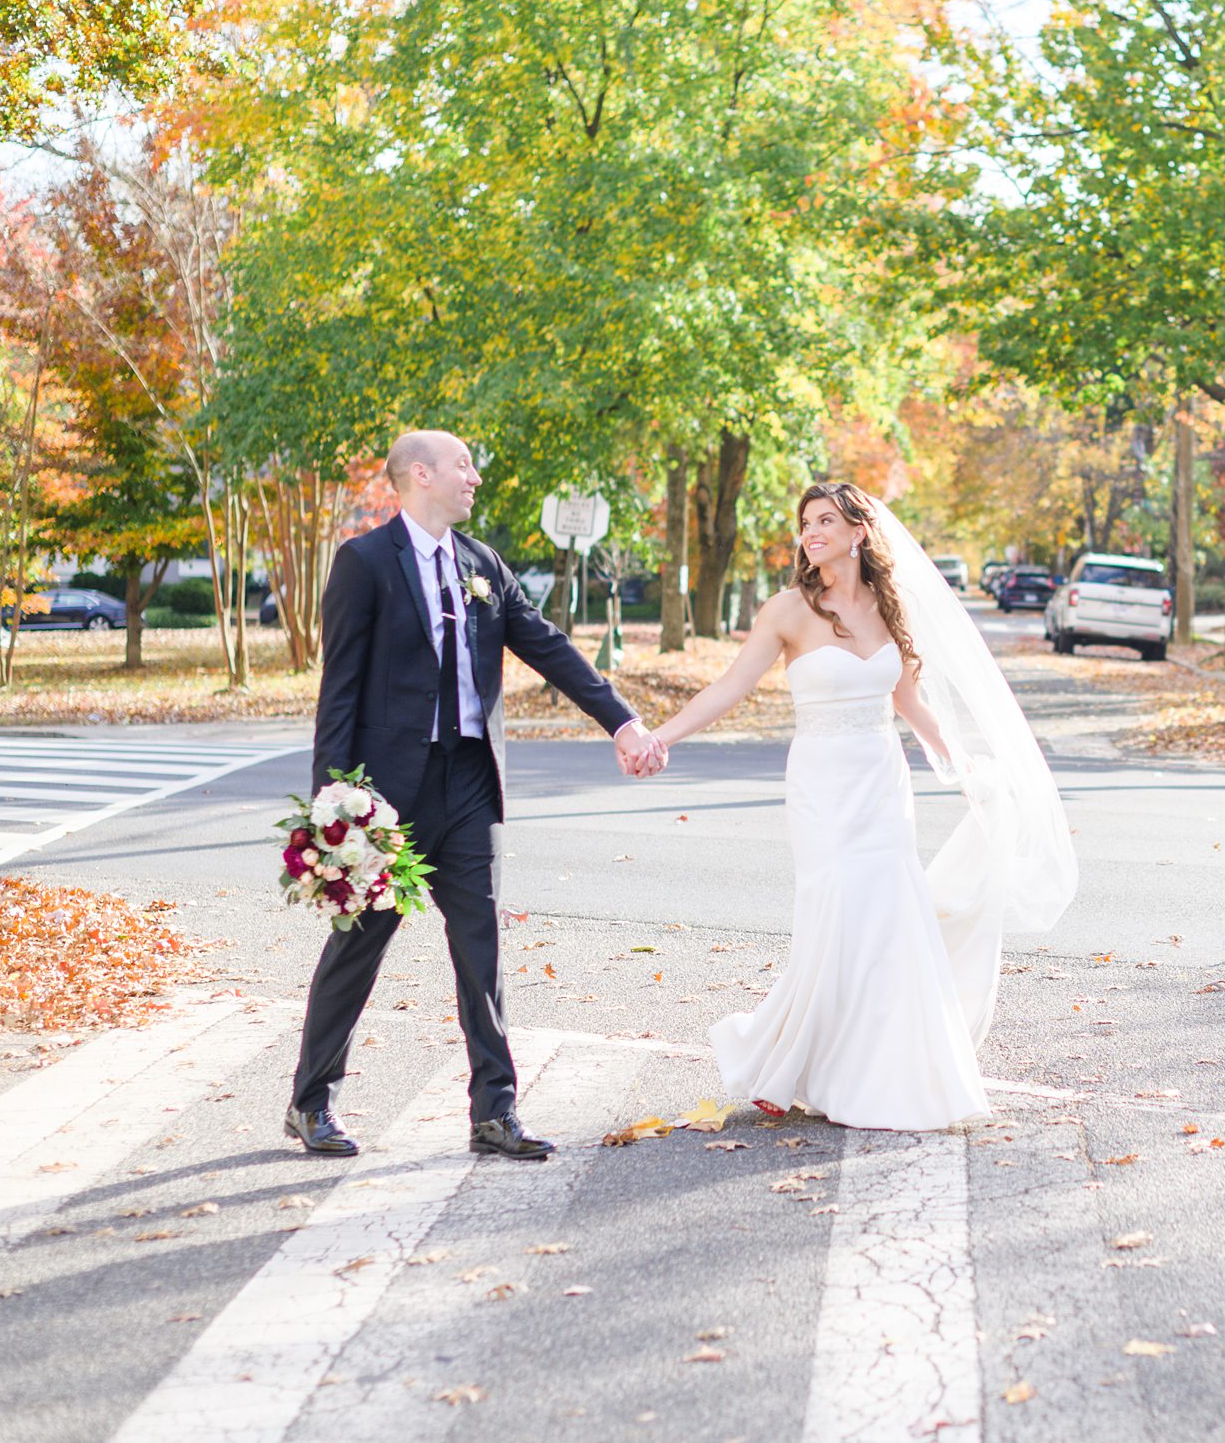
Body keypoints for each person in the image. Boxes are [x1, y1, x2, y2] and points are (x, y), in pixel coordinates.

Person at [638, 481, 1076, 1131]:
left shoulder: (886, 607)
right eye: (805, 523)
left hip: (881, 781)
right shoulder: (787, 610)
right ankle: (788, 1057)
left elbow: (911, 704)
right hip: (820, 785)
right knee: (835, 910)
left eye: (825, 520)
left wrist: (964, 769)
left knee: (885, 918)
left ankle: (877, 1070)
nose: (810, 532)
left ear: (857, 533)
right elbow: (733, 684)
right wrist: (659, 736)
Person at [285, 430, 662, 1161]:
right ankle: (311, 1101)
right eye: (463, 464)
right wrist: (333, 808)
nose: (475, 477)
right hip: (386, 797)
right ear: (420, 474)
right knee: (358, 947)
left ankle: (495, 1110)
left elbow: (545, 643)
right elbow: (340, 695)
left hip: (468, 783)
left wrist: (621, 718)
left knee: (480, 947)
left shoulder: (480, 563)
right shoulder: (364, 563)